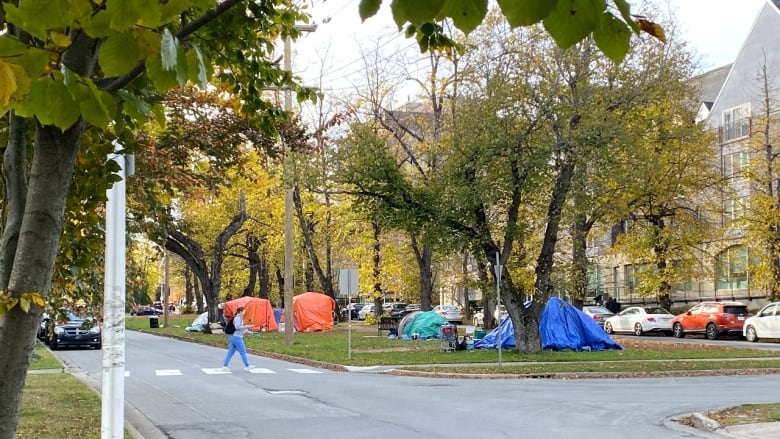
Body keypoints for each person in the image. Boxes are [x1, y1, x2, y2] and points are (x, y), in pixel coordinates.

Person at [221, 306, 255, 371]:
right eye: (244, 311)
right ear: (240, 312)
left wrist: (248, 331)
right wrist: (247, 326)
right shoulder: (238, 318)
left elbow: (240, 328)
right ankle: (248, 366)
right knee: (243, 351)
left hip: (233, 337)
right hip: (237, 337)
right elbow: (237, 327)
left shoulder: (239, 318)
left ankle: (224, 366)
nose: (245, 312)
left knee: (230, 352)